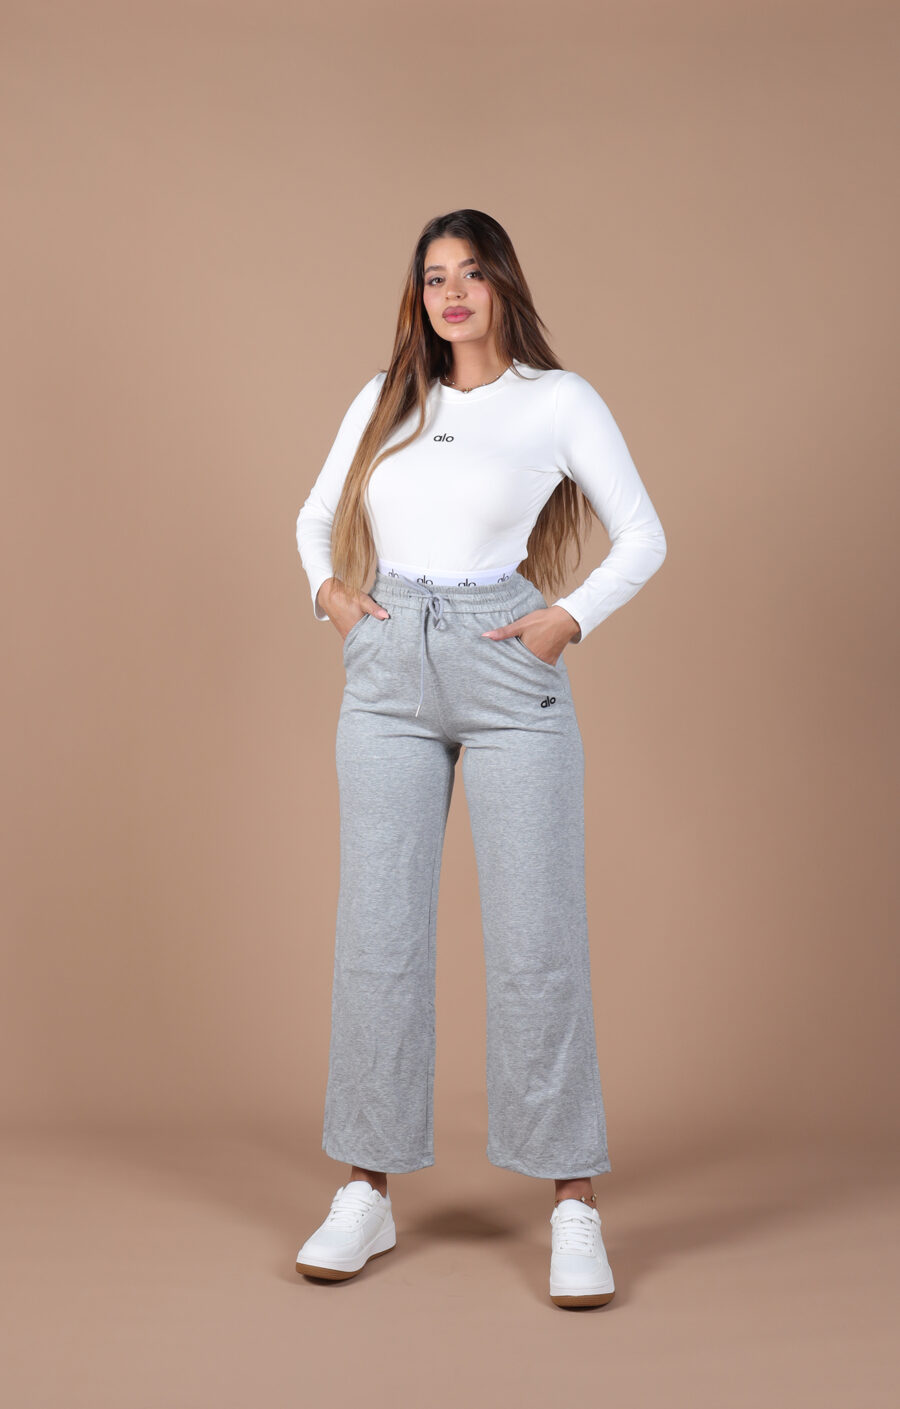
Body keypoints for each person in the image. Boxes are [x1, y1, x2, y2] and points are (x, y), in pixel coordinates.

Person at [293, 208, 667, 1309]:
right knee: (378, 936)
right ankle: (365, 1190)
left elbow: (644, 533)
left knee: (538, 937)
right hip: (389, 664)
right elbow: (314, 518)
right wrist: (332, 599)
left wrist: (568, 617)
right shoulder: (385, 399)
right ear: (418, 296)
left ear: (502, 283)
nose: (451, 293)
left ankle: (573, 1202)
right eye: (433, 277)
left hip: (508, 664)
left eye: (469, 273)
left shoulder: (557, 400)